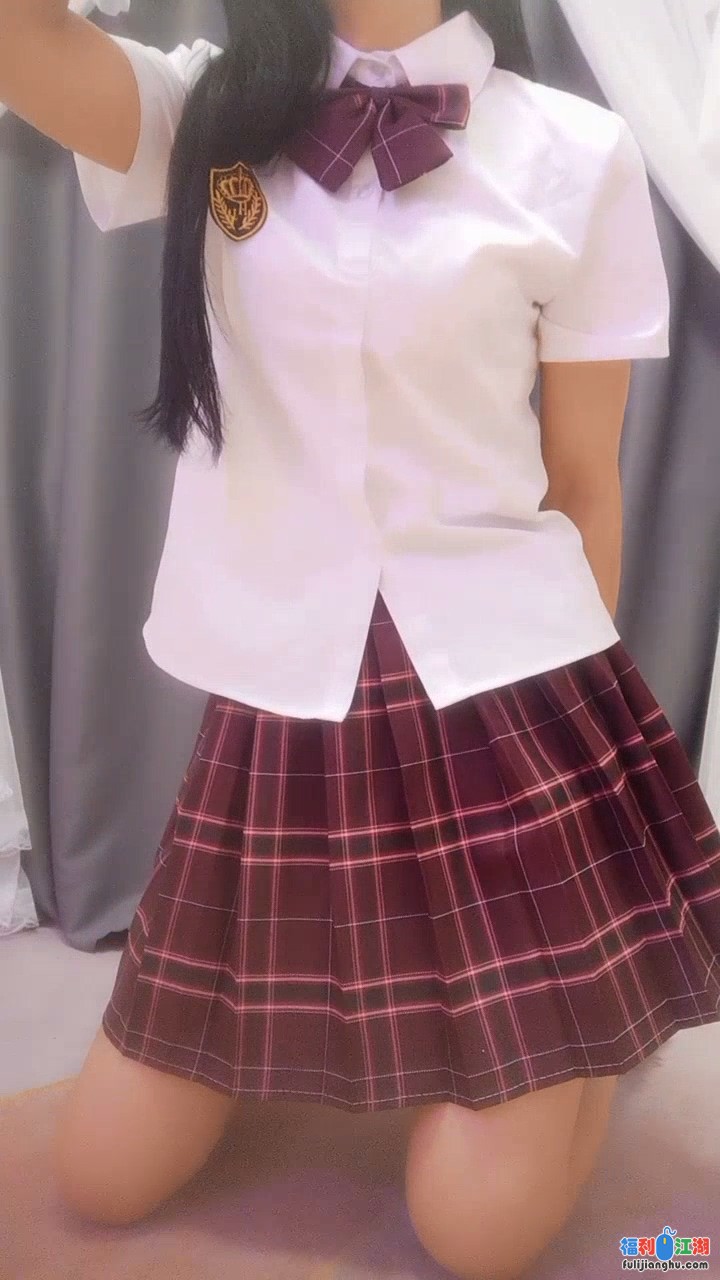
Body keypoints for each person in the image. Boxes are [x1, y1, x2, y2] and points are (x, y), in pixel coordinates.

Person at [2, 1, 719, 1276]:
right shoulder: (206, 114)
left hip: (501, 683)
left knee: (476, 1229)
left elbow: (584, 481)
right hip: (284, 692)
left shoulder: (577, 150)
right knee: (100, 1173)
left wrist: (591, 761)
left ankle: (583, 1030)